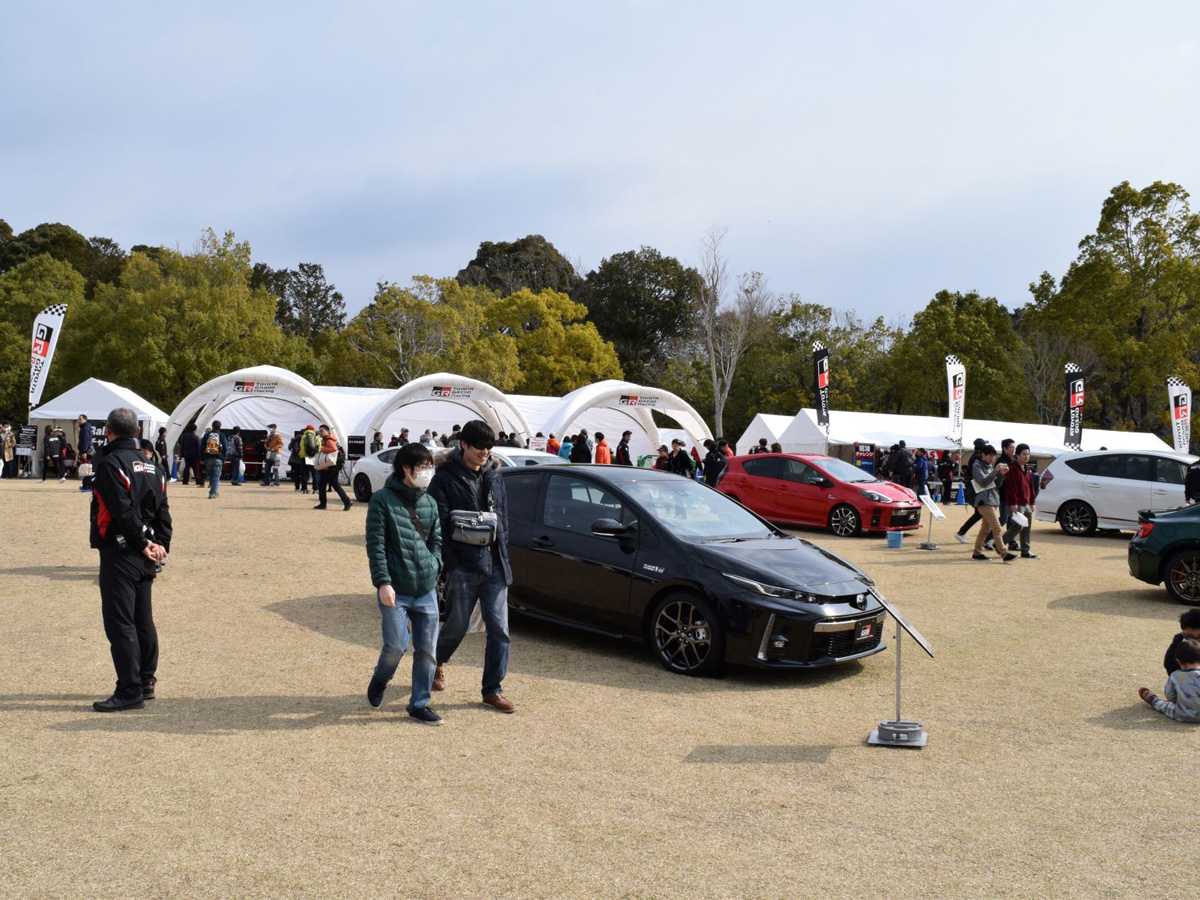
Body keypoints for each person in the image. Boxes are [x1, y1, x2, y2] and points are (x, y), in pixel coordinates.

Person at [88, 406, 172, 712]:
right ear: (137, 431)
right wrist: (160, 544)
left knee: (121, 623)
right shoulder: (153, 467)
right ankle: (146, 681)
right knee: (141, 619)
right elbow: (163, 513)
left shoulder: (110, 464)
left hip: (122, 551)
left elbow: (121, 512)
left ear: (108, 431)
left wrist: (143, 543)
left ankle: (130, 689)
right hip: (145, 551)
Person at [428, 420, 515, 713]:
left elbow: (503, 519)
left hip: (495, 565)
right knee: (456, 626)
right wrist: (451, 564)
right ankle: (436, 662)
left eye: (489, 447)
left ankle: (493, 689)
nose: (484, 452)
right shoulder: (444, 478)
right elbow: (438, 526)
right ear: (463, 444)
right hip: (463, 567)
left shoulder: (495, 476)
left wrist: (504, 555)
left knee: (500, 630)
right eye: (479, 446)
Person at [364, 441, 444, 725]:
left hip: (425, 589)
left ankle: (420, 704)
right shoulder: (382, 500)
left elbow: (436, 540)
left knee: (428, 650)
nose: (426, 472)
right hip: (395, 589)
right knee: (397, 645)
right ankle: (380, 679)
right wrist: (383, 582)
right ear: (405, 469)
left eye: (429, 466)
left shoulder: (430, 502)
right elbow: (376, 545)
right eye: (421, 467)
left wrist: (435, 565)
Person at [969, 444, 1015, 562]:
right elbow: (983, 482)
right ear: (983, 455)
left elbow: (997, 484)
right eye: (990, 456)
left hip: (992, 500)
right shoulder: (977, 466)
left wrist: (1001, 474)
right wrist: (995, 471)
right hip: (983, 501)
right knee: (997, 527)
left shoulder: (988, 467)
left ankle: (977, 553)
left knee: (985, 530)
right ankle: (1004, 553)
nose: (992, 458)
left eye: (993, 456)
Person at [1139, 638, 1200, 723]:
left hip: (1181, 714)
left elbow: (1169, 695)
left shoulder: (1175, 676)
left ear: (1178, 661)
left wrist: (1181, 700)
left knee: (1163, 705)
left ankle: (1152, 699)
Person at [1001, 443, 1038, 558]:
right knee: (1018, 526)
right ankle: (999, 544)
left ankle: (1025, 551)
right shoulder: (1012, 468)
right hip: (1016, 503)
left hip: (1026, 503)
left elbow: (1031, 486)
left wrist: (1032, 502)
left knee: (1027, 527)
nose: (1027, 456)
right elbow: (1011, 487)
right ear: (1017, 455)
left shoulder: (1027, 469)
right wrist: (1013, 502)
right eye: (1024, 454)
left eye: (1028, 454)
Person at [953, 439, 988, 543]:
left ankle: (962, 532)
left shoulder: (974, 456)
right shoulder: (977, 458)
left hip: (973, 489)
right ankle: (986, 539)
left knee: (980, 513)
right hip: (975, 490)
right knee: (983, 513)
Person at [313, 424, 352, 511]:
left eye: (322, 431)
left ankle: (323, 504)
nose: (320, 432)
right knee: (335, 485)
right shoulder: (329, 439)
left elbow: (334, 449)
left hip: (328, 467)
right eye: (319, 431)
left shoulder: (329, 440)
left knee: (322, 485)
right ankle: (347, 501)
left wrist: (322, 449)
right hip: (332, 467)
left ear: (327, 431)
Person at [1164, 609, 1200, 676]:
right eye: (1190, 636)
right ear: (1183, 632)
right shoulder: (1179, 641)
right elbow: (1169, 664)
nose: (1195, 641)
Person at [201, 421, 227, 499]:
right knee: (216, 477)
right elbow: (225, 448)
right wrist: (224, 458)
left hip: (208, 458)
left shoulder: (207, 435)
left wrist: (202, 458)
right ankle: (213, 493)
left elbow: (202, 447)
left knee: (211, 476)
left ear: (212, 426)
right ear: (220, 426)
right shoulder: (222, 435)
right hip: (218, 458)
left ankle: (213, 490)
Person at [299, 424, 321, 493]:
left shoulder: (303, 437)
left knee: (305, 474)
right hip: (314, 457)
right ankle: (315, 489)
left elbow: (302, 446)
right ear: (313, 430)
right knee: (315, 473)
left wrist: (304, 454)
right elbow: (319, 447)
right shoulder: (317, 437)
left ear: (306, 429)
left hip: (305, 457)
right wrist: (314, 454)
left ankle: (304, 488)